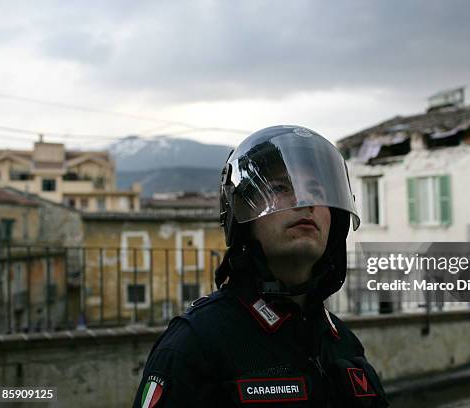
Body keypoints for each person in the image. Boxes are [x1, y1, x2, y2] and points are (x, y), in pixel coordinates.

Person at [133, 125, 389, 407]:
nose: (305, 203)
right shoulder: (195, 343)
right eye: (281, 187)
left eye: (316, 191)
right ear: (242, 214)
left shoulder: (344, 345)